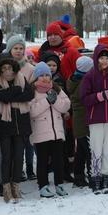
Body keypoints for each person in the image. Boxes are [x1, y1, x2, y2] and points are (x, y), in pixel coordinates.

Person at [81, 45, 108, 194]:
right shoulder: (90, 76)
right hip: (96, 119)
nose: (104, 61)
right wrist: (100, 96)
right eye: (101, 58)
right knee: (96, 150)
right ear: (96, 58)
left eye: (107, 58)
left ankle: (106, 176)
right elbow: (84, 99)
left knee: (107, 150)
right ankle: (95, 177)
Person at [0, 58, 34, 203]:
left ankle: (16, 186)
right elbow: (2, 97)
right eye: (4, 69)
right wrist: (16, 91)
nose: (8, 72)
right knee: (6, 157)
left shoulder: (21, 78)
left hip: (21, 124)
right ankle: (6, 188)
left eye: (10, 68)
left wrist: (11, 95)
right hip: (4, 125)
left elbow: (29, 94)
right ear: (0, 70)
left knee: (18, 156)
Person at [29, 62, 71, 198]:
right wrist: (47, 101)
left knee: (59, 160)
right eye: (42, 75)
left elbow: (66, 105)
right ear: (36, 77)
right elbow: (32, 111)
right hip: (41, 133)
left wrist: (55, 100)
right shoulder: (32, 90)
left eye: (47, 74)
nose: (45, 77)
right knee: (42, 161)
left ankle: (59, 184)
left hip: (57, 132)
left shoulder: (56, 88)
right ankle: (43, 185)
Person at [5, 35, 36, 181]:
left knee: (27, 141)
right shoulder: (3, 66)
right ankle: (12, 171)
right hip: (7, 112)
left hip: (25, 111)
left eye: (21, 48)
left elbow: (31, 91)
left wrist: (18, 97)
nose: (18, 51)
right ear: (9, 50)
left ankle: (28, 167)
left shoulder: (30, 69)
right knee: (11, 146)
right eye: (15, 48)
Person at [66, 56, 94, 188]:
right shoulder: (84, 83)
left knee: (81, 152)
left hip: (79, 121)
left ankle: (78, 177)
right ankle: (91, 175)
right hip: (84, 121)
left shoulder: (73, 79)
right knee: (89, 151)